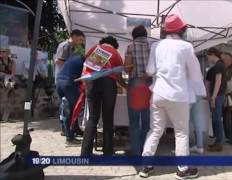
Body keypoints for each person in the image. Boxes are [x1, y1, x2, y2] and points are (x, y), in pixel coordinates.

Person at [139, 14, 206, 179]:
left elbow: (149, 71)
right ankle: (183, 170)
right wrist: (201, 92)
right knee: (181, 133)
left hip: (158, 94)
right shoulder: (186, 47)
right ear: (182, 30)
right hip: (178, 95)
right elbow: (196, 73)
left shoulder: (156, 45)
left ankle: (145, 167)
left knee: (154, 131)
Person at [80, 36, 125, 156]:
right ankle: (108, 152)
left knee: (93, 118)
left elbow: (87, 68)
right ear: (114, 45)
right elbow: (119, 76)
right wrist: (125, 86)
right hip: (108, 85)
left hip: (92, 82)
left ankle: (85, 153)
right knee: (108, 119)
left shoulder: (94, 49)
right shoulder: (115, 53)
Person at [124, 25, 152, 156]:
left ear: (133, 35)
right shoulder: (152, 47)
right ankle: (145, 149)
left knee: (134, 120)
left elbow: (127, 68)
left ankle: (135, 151)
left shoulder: (130, 47)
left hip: (135, 83)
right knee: (146, 119)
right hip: (149, 84)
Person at [55, 29, 85, 135]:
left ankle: (72, 128)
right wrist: (69, 69)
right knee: (68, 106)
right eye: (80, 39)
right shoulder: (65, 46)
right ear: (74, 36)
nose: (81, 42)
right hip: (65, 78)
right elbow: (58, 61)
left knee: (68, 105)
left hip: (66, 78)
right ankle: (67, 130)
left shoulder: (73, 48)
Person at [56, 55, 85, 145]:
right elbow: (85, 76)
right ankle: (70, 138)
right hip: (68, 83)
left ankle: (70, 130)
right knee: (72, 111)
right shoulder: (85, 62)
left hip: (59, 82)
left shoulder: (73, 58)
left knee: (64, 108)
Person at [206, 47, 226, 152]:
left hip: (218, 96)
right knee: (215, 119)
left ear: (213, 54)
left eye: (208, 56)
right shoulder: (217, 66)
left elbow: (218, 82)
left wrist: (213, 97)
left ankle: (219, 143)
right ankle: (217, 142)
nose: (208, 59)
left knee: (217, 120)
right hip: (218, 96)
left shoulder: (219, 66)